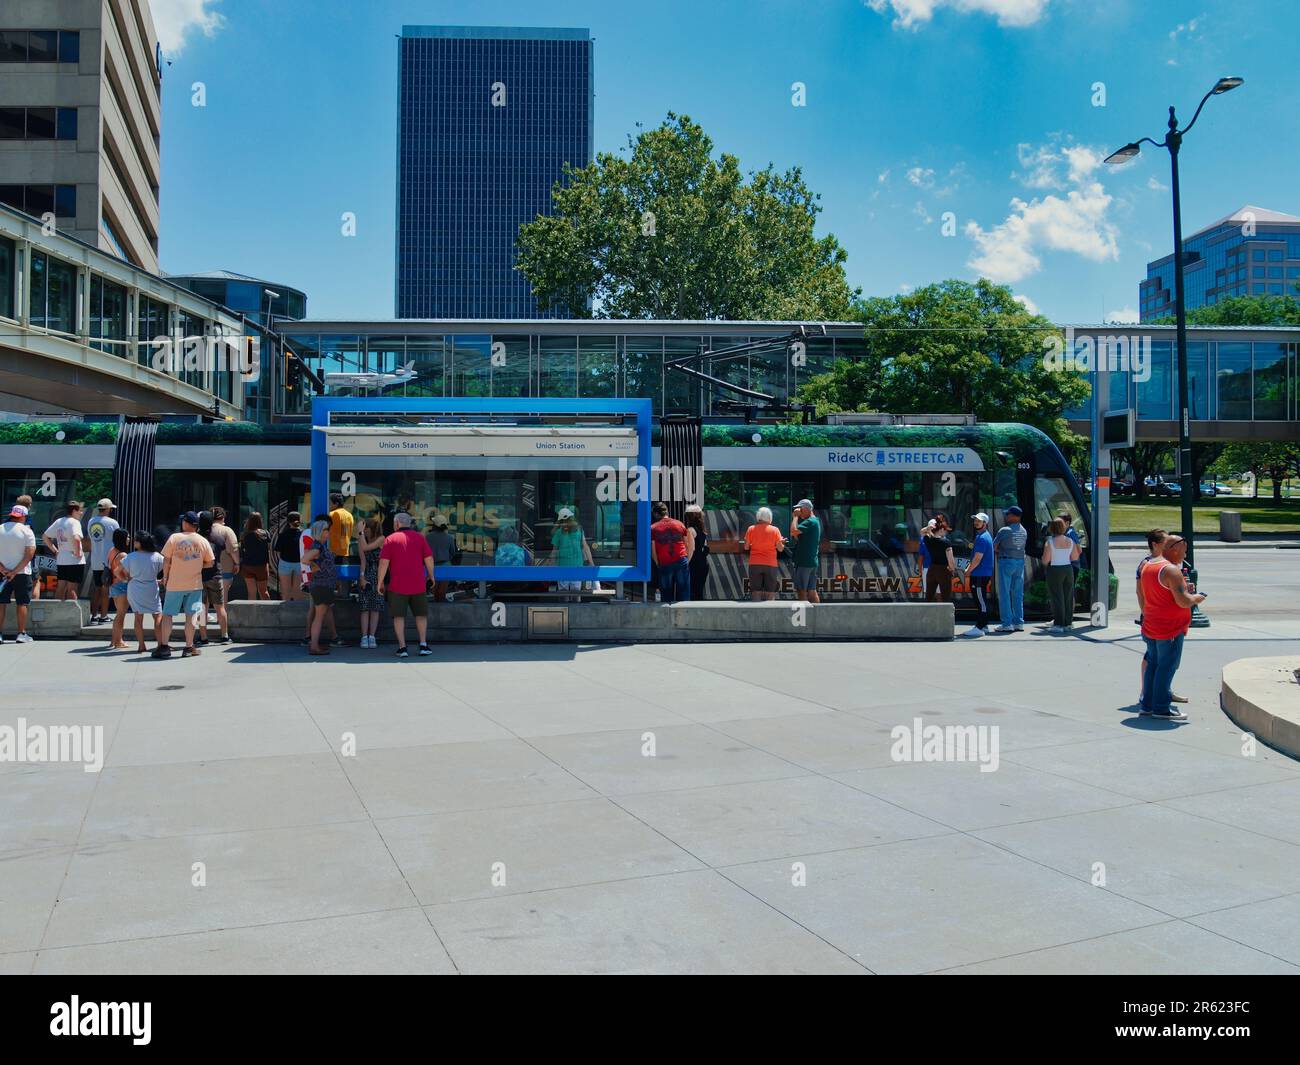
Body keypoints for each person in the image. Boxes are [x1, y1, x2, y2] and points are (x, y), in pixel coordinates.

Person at [1139, 534, 1205, 721]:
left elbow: (1157, 594)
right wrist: (1197, 597)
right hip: (1170, 628)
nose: (1186, 553)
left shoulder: (1148, 565)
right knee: (1166, 667)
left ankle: (1147, 705)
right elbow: (1184, 602)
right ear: (1175, 548)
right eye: (1185, 548)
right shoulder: (1171, 570)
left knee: (1153, 664)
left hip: (1152, 624)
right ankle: (1161, 707)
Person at [1135, 530, 1189, 705]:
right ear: (1156, 545)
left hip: (1157, 621)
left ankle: (1160, 694)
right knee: (1157, 662)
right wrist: (1148, 614)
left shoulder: (1163, 565)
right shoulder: (1149, 564)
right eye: (1165, 542)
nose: (1169, 546)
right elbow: (1141, 592)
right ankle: (1152, 698)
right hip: (1159, 623)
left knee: (1159, 662)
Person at [156, 512, 214, 659]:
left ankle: (164, 647)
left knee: (168, 614)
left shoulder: (174, 538)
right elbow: (211, 562)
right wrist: (197, 566)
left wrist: (165, 577)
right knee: (192, 615)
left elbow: (167, 560)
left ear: (185, 523)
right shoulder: (202, 541)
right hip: (194, 584)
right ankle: (189, 647)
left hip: (174, 583)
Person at [378, 512, 435, 658]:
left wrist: (380, 582)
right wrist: (431, 576)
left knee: (398, 617)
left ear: (397, 524)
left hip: (397, 586)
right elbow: (428, 558)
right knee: (421, 615)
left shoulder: (390, 539)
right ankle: (423, 644)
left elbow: (384, 562)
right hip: (418, 584)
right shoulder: (420, 538)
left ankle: (402, 647)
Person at [0, 502, 37, 644]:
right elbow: (29, 554)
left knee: (0, 603)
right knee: (22, 603)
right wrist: (14, 572)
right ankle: (21, 634)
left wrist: (3, 570)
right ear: (23, 517)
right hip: (22, 573)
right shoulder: (27, 531)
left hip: (1, 573)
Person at [301, 517, 338, 656]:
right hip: (321, 585)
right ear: (319, 532)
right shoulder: (317, 547)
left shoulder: (319, 546)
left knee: (320, 616)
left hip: (323, 585)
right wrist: (314, 566)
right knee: (319, 617)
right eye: (326, 530)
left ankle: (314, 644)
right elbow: (304, 559)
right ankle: (314, 646)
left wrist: (315, 565)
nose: (328, 532)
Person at [123, 532, 164, 655]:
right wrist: (163, 580)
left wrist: (126, 579)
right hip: (151, 587)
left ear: (140, 543)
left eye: (135, 540)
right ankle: (161, 644)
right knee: (157, 616)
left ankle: (141, 645)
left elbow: (117, 571)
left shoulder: (131, 556)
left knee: (138, 617)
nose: (133, 542)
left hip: (135, 588)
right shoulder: (157, 556)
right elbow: (168, 567)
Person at [1041, 517, 1081, 633]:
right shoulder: (1070, 541)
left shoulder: (1050, 542)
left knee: (1057, 597)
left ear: (1052, 528)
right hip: (1068, 568)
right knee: (1068, 596)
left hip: (1055, 569)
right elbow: (1075, 557)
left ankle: (1058, 624)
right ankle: (1068, 623)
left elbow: (1045, 560)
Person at [993, 505, 1028, 632]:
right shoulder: (1024, 530)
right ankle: (1019, 622)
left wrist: (1001, 550)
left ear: (1014, 516)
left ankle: (1007, 623)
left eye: (1008, 514)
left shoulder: (1004, 530)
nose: (1006, 516)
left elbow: (994, 546)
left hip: (1006, 561)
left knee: (1004, 593)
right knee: (1018, 593)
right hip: (1020, 563)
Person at [650, 502, 692, 604]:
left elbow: (653, 550)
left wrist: (657, 563)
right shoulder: (679, 524)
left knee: (666, 593)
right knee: (684, 592)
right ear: (667, 512)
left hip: (664, 562)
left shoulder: (653, 528)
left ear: (656, 514)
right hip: (681, 560)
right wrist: (687, 560)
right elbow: (688, 544)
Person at [85, 498, 120, 623]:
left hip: (95, 559)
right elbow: (118, 539)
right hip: (108, 560)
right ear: (108, 509)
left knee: (98, 588)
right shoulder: (113, 523)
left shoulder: (91, 521)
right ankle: (103, 616)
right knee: (106, 589)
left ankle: (94, 615)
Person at [43, 500, 85, 601]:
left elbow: (45, 536)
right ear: (74, 511)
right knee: (72, 588)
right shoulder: (75, 522)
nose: (81, 513)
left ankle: (57, 612)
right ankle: (73, 614)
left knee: (61, 586)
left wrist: (55, 550)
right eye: (80, 510)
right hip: (74, 559)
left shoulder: (59, 521)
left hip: (62, 558)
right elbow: (76, 538)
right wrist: (78, 552)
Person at [742, 506, 784, 602]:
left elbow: (746, 547)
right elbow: (780, 549)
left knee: (756, 591)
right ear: (769, 517)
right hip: (770, 564)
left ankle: (756, 614)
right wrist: (782, 543)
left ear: (758, 517)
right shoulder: (775, 530)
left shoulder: (751, 529)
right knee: (770, 592)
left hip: (755, 563)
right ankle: (770, 614)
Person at [356, 516, 386, 648]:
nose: (364, 531)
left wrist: (360, 533)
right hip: (367, 574)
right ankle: (364, 637)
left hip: (378, 575)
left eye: (365, 529)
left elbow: (367, 548)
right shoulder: (361, 539)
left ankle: (372, 636)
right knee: (364, 608)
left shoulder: (381, 539)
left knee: (375, 608)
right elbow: (363, 560)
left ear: (370, 529)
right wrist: (362, 577)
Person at [964, 512, 995, 637]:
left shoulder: (982, 538)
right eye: (975, 520)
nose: (976, 522)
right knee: (980, 600)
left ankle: (980, 626)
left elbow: (977, 558)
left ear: (985, 523)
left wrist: (968, 570)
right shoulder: (982, 536)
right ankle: (984, 625)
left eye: (979, 521)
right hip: (981, 573)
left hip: (979, 574)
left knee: (980, 600)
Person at [550, 507, 593, 593]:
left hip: (562, 565)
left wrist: (552, 565)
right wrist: (591, 562)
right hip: (577, 565)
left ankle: (564, 606)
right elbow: (586, 547)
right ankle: (576, 606)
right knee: (576, 591)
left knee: (563, 591)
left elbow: (554, 551)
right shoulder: (579, 530)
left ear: (562, 520)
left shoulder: (559, 532)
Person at [789, 499, 822, 604]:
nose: (798, 511)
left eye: (800, 509)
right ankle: (817, 615)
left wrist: (795, 517)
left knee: (801, 590)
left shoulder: (810, 522)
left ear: (807, 509)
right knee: (812, 590)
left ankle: (805, 615)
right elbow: (798, 537)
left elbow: (793, 531)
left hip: (805, 562)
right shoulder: (815, 521)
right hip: (811, 561)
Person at [209, 506, 240, 606]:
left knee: (204, 596)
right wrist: (237, 563)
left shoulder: (203, 530)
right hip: (224, 567)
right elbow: (233, 549)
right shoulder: (227, 531)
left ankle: (202, 618)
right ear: (223, 517)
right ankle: (222, 618)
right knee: (223, 595)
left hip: (205, 568)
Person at [923, 514, 956, 603]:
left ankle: (926, 616)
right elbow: (951, 560)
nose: (945, 532)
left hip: (932, 569)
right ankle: (945, 617)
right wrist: (952, 570)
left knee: (929, 597)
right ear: (941, 529)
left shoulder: (928, 540)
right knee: (946, 597)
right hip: (944, 570)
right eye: (945, 530)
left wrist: (928, 528)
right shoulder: (946, 542)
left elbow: (922, 532)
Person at [106, 527, 131, 649]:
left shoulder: (112, 550)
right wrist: (126, 579)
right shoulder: (123, 555)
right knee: (121, 614)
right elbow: (118, 571)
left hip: (113, 585)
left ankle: (114, 640)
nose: (129, 539)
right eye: (127, 537)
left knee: (118, 614)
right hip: (121, 586)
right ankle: (119, 641)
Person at [238, 512, 271, 600]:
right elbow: (269, 549)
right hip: (261, 566)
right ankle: (269, 612)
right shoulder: (265, 533)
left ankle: (251, 613)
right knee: (264, 591)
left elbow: (241, 550)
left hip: (247, 566)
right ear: (260, 521)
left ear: (249, 521)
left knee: (251, 592)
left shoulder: (244, 535)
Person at [425, 513, 455, 602]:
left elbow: (424, 553)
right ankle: (441, 609)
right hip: (446, 566)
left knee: (434, 590)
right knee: (442, 591)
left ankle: (435, 610)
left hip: (431, 566)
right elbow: (452, 552)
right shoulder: (449, 537)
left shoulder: (427, 537)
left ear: (434, 525)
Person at [328, 492, 354, 593]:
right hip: (345, 551)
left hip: (332, 550)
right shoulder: (349, 515)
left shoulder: (332, 514)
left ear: (335, 504)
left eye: (329, 503)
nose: (328, 505)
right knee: (343, 580)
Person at [274, 512, 303, 600]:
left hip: (285, 563)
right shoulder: (303, 534)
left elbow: (278, 552)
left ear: (288, 522)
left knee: (285, 591)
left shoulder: (283, 535)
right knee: (297, 590)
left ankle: (285, 612)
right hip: (299, 564)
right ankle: (296, 612)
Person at [16, 495, 40, 599]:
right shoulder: (28, 519)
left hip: (12, 558)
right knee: (36, 582)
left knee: (13, 585)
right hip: (28, 558)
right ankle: (34, 609)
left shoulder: (9, 520)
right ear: (29, 506)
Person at [684, 504, 710, 601]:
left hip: (694, 564)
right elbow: (706, 548)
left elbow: (691, 549)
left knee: (692, 592)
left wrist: (686, 562)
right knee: (699, 591)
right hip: (703, 564)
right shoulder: (703, 531)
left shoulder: (690, 530)